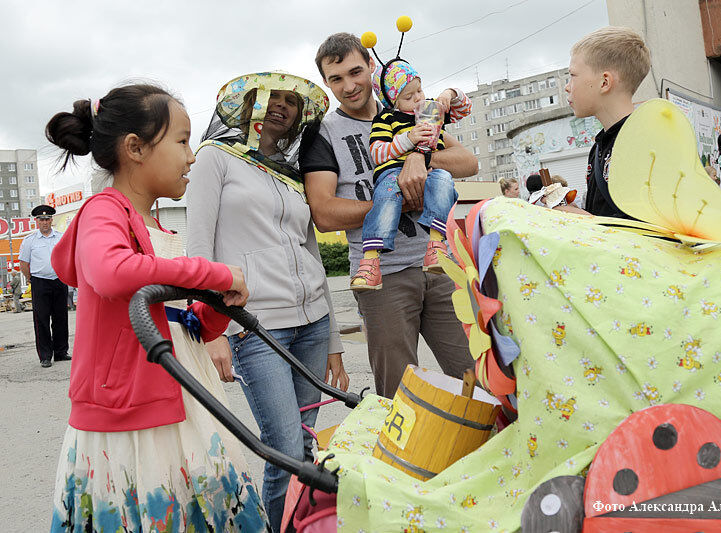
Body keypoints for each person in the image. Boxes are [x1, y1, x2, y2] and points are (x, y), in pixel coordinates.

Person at [45, 84, 267, 531]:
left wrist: (219, 307)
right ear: (135, 149)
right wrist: (213, 274)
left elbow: (189, 327)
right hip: (131, 415)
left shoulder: (158, 228)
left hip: (185, 396)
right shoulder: (103, 211)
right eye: (182, 141)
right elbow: (111, 272)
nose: (192, 156)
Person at [186, 71, 349, 529]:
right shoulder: (215, 158)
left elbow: (311, 253)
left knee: (307, 444)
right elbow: (198, 247)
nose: (281, 105)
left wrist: (334, 337)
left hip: (313, 323)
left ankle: (303, 524)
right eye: (270, 97)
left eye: (291, 102)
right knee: (284, 448)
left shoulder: (295, 176)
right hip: (256, 326)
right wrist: (210, 329)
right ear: (249, 105)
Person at [300, 32, 475, 397]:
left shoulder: (407, 110)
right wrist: (393, 205)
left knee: (477, 378)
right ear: (326, 83)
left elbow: (468, 162)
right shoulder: (323, 133)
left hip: (441, 266)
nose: (348, 86)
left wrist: (418, 155)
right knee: (399, 394)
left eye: (355, 72)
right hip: (382, 278)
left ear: (371, 68)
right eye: (336, 79)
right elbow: (325, 213)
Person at [352, 56, 472, 289]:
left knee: (444, 180)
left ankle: (436, 246)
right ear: (393, 101)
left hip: (431, 170)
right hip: (392, 172)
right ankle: (370, 261)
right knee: (386, 196)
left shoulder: (430, 110)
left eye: (419, 89)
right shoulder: (386, 118)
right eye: (408, 96)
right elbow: (377, 153)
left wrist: (449, 94)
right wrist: (408, 140)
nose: (418, 98)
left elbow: (465, 108)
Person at [565, 26, 651, 219]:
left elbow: (649, 227)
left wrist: (578, 219)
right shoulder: (598, 149)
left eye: (572, 75)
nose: (567, 86)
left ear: (604, 82)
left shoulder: (645, 144)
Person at [19, 204, 70, 367]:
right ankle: (45, 356)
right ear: (37, 221)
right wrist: (31, 279)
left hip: (59, 281)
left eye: (47, 219)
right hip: (40, 282)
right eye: (41, 220)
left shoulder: (61, 238)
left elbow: (67, 258)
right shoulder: (29, 241)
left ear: (51, 220)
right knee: (41, 320)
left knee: (61, 318)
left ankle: (61, 352)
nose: (45, 222)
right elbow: (24, 264)